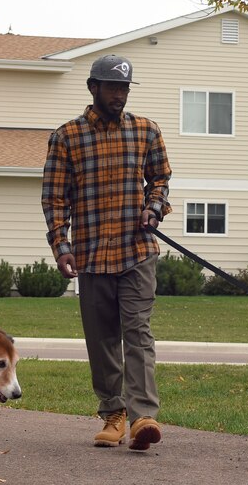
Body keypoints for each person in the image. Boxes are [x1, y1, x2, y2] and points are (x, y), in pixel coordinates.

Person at [41, 54, 172, 451]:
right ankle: (113, 414)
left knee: (138, 333)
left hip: (138, 250)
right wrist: (61, 245)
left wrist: (154, 207)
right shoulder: (67, 137)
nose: (119, 95)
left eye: (125, 88)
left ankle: (143, 416)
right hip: (92, 254)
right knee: (101, 339)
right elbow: (54, 198)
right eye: (112, 87)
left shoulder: (146, 131)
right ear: (92, 87)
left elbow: (161, 179)